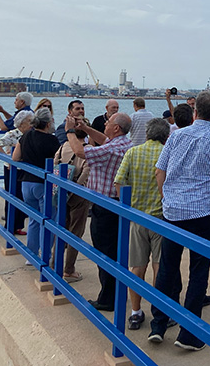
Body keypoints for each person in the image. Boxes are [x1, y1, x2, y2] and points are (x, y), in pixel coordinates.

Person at [148, 91, 210, 351]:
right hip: (203, 215)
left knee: (167, 267)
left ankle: (159, 324)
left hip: (173, 212)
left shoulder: (176, 136)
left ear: (195, 112)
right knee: (199, 272)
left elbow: (159, 171)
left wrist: (167, 197)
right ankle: (188, 334)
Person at [64, 111, 133, 312]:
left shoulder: (111, 149)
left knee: (105, 253)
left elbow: (80, 152)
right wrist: (85, 129)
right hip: (115, 204)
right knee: (114, 251)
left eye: (108, 122)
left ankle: (107, 299)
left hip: (105, 206)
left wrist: (70, 131)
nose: (105, 123)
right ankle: (114, 294)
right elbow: (104, 140)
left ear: (116, 128)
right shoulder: (123, 144)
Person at [113, 117, 170, 330]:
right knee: (159, 267)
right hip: (160, 218)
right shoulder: (167, 154)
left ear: (147, 134)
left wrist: (126, 207)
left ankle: (135, 312)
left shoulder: (132, 152)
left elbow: (119, 182)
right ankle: (159, 312)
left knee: (137, 266)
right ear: (166, 136)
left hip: (137, 217)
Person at [12, 107, 61, 255]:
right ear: (48, 124)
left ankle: (31, 254)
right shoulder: (52, 140)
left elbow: (15, 158)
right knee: (48, 220)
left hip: (26, 182)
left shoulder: (25, 136)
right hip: (43, 184)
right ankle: (45, 254)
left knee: (33, 220)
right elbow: (58, 161)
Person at [52, 121, 91, 283]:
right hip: (77, 194)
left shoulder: (63, 147)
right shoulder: (87, 150)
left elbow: (55, 163)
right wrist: (76, 188)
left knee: (61, 228)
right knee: (76, 232)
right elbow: (86, 173)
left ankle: (54, 263)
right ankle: (69, 269)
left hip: (61, 190)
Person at [0, 109, 34, 235]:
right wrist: (8, 158)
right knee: (12, 196)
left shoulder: (32, 134)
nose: (32, 124)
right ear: (21, 124)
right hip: (11, 169)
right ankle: (10, 226)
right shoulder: (13, 134)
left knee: (22, 197)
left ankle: (18, 226)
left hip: (25, 169)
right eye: (29, 121)